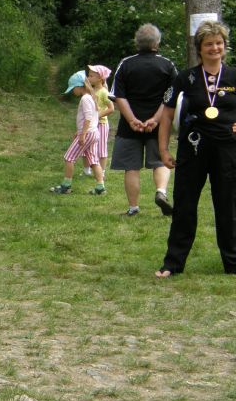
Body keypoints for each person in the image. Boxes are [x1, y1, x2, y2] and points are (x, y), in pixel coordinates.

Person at [155, 20, 236, 277]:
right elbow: (167, 116)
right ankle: (173, 264)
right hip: (193, 149)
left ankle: (232, 263)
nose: (215, 48)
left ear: (224, 46)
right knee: (185, 206)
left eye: (219, 43)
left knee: (229, 207)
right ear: (199, 48)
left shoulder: (233, 76)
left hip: (228, 151)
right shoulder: (185, 78)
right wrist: (163, 150)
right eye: (209, 44)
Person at [110, 24, 177, 216]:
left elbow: (118, 96)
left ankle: (133, 208)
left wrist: (132, 120)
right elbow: (171, 97)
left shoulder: (126, 64)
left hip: (129, 126)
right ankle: (161, 192)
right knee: (160, 161)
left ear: (136, 42)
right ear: (157, 42)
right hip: (159, 125)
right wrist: (155, 119)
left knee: (131, 167)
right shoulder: (167, 65)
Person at [50, 70, 106, 195]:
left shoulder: (85, 99)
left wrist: (83, 134)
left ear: (79, 86)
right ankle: (100, 187)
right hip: (94, 132)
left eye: (73, 88)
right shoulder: (91, 97)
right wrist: (79, 131)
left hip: (88, 133)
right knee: (93, 160)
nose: (72, 91)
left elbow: (88, 118)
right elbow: (93, 118)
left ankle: (66, 186)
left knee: (69, 157)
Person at [88, 64, 115, 175]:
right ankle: (88, 169)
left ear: (100, 78)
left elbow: (111, 108)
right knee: (89, 146)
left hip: (101, 124)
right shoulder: (91, 90)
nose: (88, 78)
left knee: (101, 149)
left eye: (91, 76)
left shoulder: (104, 92)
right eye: (88, 75)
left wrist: (97, 116)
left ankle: (102, 171)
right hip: (91, 124)